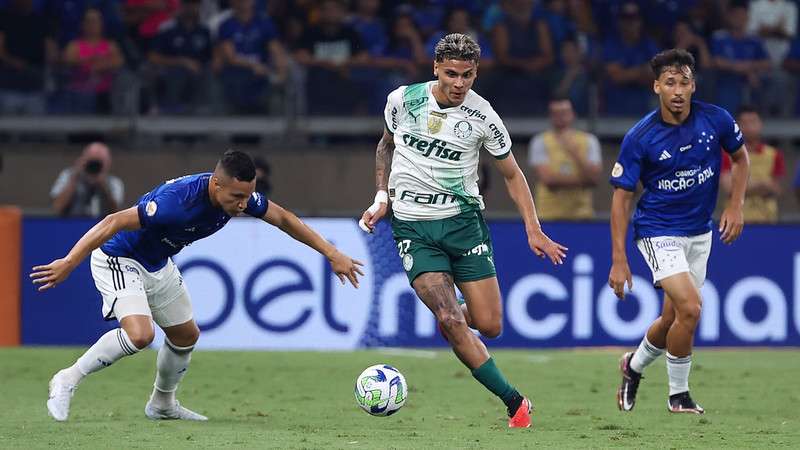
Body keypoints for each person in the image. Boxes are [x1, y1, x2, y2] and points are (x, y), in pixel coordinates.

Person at [33, 150, 364, 422]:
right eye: (236, 197)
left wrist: (332, 253)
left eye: (248, 196)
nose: (243, 205)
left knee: (185, 336)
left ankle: (162, 404)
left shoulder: (240, 197)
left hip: (158, 263)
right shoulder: (175, 203)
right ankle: (67, 378)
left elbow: (285, 219)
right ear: (216, 184)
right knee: (140, 335)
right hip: (120, 258)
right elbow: (112, 222)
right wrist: (69, 261)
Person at [359, 33, 567, 428]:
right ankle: (515, 403)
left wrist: (533, 228)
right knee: (453, 321)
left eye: (467, 76)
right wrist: (381, 196)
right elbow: (385, 146)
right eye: (451, 74)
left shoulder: (483, 117)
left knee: (490, 325)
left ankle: (453, 320)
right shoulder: (402, 100)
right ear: (435, 68)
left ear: (476, 73)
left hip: (463, 226)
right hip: (413, 228)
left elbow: (512, 174)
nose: (459, 84)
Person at [608, 49, 750, 414]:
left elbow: (740, 157)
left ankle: (632, 366)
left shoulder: (715, 120)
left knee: (672, 319)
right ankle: (678, 396)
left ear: (693, 86)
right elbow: (621, 199)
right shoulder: (641, 137)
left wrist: (735, 205)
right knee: (691, 307)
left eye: (684, 82)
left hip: (699, 232)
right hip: (657, 231)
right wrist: (619, 259)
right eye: (670, 82)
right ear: (657, 87)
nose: (677, 90)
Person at [528, 96, 601, 220]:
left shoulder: (589, 141)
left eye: (564, 113)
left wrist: (575, 153)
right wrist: (583, 180)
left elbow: (594, 179)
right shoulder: (539, 141)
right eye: (556, 113)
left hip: (582, 216)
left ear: (573, 114)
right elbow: (548, 180)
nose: (560, 117)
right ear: (550, 116)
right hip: (547, 216)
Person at [721, 105, 785, 223]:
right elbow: (729, 188)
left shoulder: (775, 155)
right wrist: (763, 184)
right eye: (744, 123)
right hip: (735, 222)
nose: (749, 127)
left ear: (761, 124)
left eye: (753, 122)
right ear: (737, 126)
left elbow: (777, 189)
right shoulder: (727, 155)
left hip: (768, 221)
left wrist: (742, 187)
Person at [51, 142, 125, 218]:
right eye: (92, 161)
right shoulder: (68, 176)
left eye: (99, 162)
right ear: (83, 159)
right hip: (71, 225)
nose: (94, 166)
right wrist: (75, 177)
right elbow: (57, 208)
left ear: (108, 162)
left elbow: (116, 214)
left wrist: (104, 185)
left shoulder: (114, 182)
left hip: (103, 227)